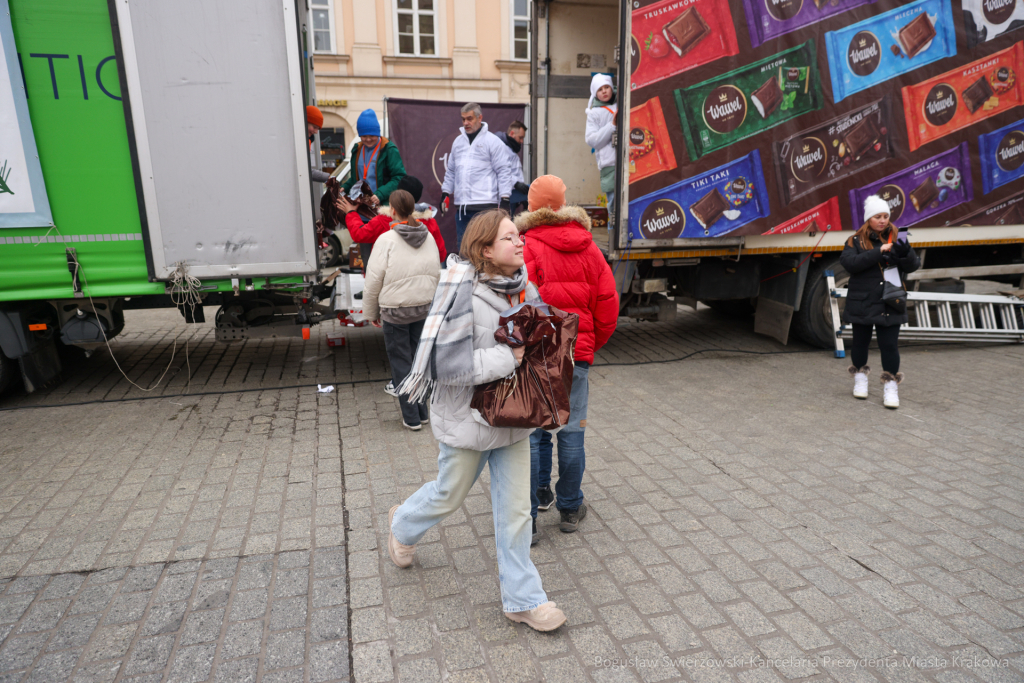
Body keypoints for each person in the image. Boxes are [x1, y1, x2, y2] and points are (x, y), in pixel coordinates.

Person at [388, 209, 567, 632]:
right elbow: (447, 365)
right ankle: (402, 524)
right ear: (486, 249)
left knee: (517, 513)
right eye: (509, 238)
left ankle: (523, 600)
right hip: (467, 421)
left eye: (518, 236)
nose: (520, 242)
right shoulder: (458, 291)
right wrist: (508, 357)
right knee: (447, 497)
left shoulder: (525, 289)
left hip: (514, 419)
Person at [514, 176, 619, 540]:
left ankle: (530, 511)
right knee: (572, 433)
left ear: (532, 207)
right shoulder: (589, 248)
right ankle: (570, 507)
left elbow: (514, 305)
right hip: (577, 354)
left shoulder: (523, 245)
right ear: (561, 205)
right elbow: (607, 306)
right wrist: (588, 346)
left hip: (536, 354)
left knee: (533, 432)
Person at [361, 189, 441, 431]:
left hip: (396, 311)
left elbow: (374, 280)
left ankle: (411, 418)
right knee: (419, 360)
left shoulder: (386, 240)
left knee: (401, 362)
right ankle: (422, 412)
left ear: (392, 211)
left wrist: (370, 312)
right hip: (423, 308)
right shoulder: (428, 236)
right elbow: (437, 272)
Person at [840, 195, 920, 409]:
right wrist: (878, 251)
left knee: (889, 346)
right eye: (878, 217)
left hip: (890, 300)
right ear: (869, 219)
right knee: (860, 343)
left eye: (885, 216)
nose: (883, 220)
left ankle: (891, 387)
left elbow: (912, 266)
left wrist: (906, 251)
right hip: (863, 300)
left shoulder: (897, 237)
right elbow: (850, 264)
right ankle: (860, 379)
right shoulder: (854, 241)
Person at [440, 103, 515, 253]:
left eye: (469, 119)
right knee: (464, 252)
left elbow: (504, 171)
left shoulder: (492, 141)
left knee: (485, 252)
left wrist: (505, 198)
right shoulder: (457, 142)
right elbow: (451, 171)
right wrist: (445, 193)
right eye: (463, 119)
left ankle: (486, 277)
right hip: (462, 209)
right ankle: (467, 277)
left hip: (485, 208)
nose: (466, 123)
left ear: (480, 117)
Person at [339, 175, 448, 264]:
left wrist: (351, 213)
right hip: (422, 283)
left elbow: (359, 234)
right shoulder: (429, 222)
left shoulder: (384, 220)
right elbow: (441, 255)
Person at [342, 108, 407, 207]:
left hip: (382, 207)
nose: (368, 139)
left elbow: (399, 177)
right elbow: (356, 178)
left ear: (378, 133)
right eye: (364, 136)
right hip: (360, 206)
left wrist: (380, 194)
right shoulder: (357, 149)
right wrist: (344, 187)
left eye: (372, 135)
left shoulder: (389, 150)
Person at [584, 74, 617, 212]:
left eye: (606, 87)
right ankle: (612, 232)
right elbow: (592, 140)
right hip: (609, 165)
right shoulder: (594, 113)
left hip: (632, 161)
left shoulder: (624, 103)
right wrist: (612, 125)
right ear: (595, 93)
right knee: (613, 205)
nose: (604, 91)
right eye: (600, 89)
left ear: (612, 88)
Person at [495, 121, 529, 214]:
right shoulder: (500, 149)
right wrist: (516, 183)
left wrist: (522, 197)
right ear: (512, 133)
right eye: (520, 137)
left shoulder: (512, 151)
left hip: (512, 198)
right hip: (501, 199)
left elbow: (515, 174)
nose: (522, 141)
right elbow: (499, 172)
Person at [306, 105, 332, 184]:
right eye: (314, 127)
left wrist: (327, 177)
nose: (316, 132)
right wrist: (326, 177)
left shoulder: (308, 141)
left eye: (317, 128)